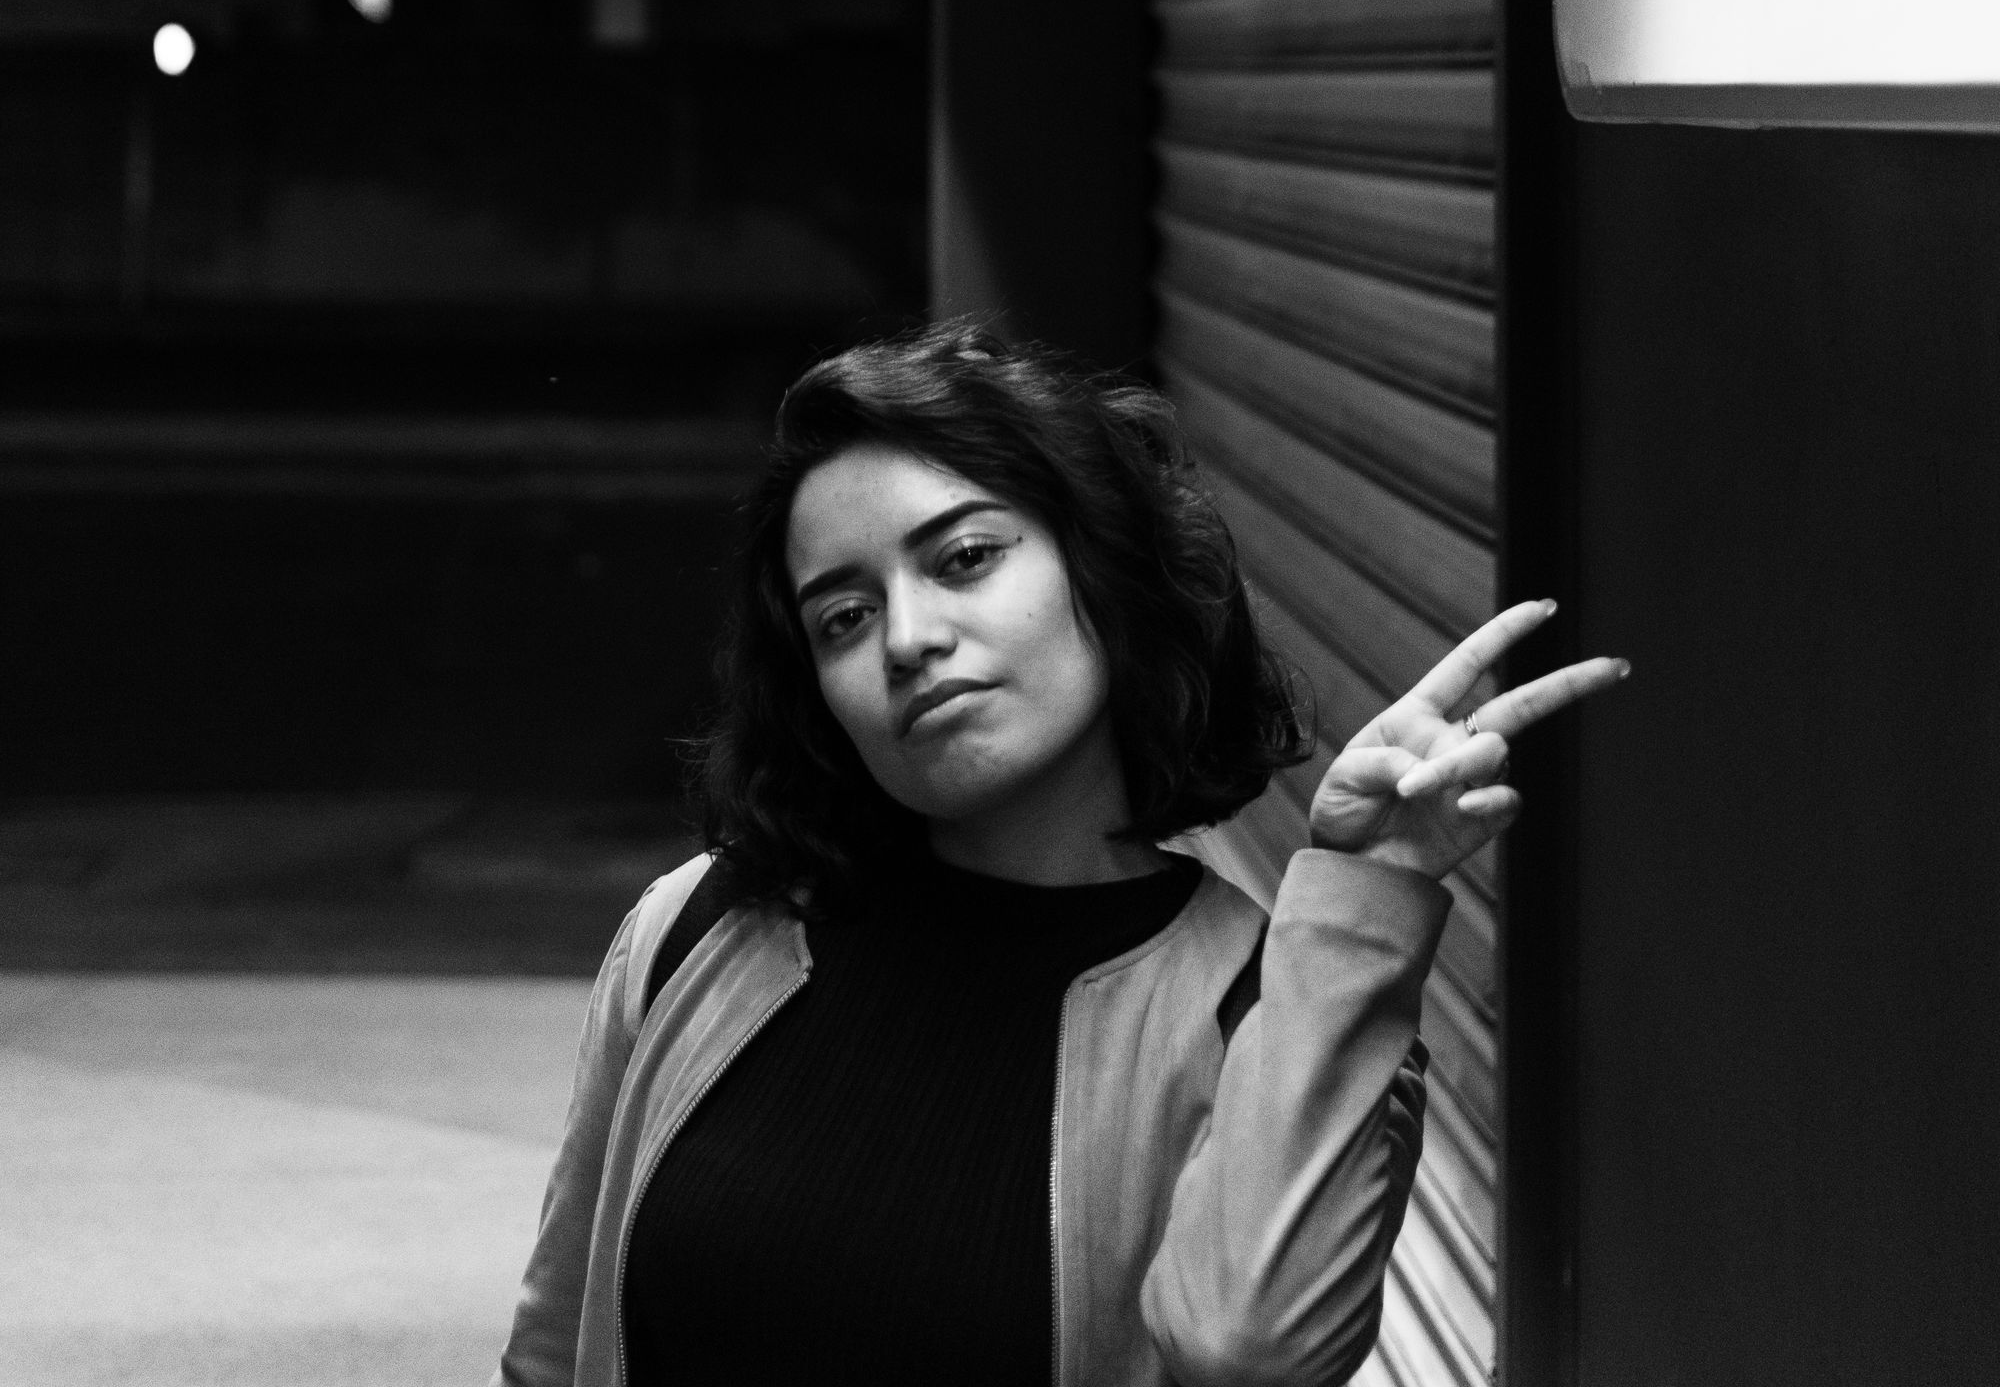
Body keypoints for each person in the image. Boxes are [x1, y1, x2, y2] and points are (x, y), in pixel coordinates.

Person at [492, 324, 1625, 1387]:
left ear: (1102, 565)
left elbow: (1249, 1348)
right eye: (843, 617)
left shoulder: (1270, 1008)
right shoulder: (697, 929)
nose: (906, 638)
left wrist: (1368, 888)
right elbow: (552, 1351)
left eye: (964, 558)